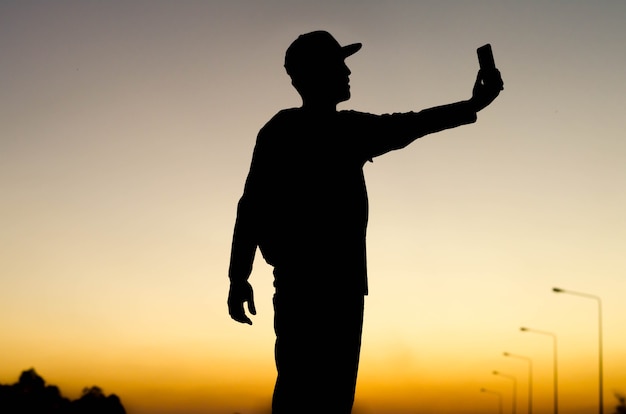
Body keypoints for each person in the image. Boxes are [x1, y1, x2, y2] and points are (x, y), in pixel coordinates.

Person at [228, 30, 503, 414]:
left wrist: (239, 276)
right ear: (312, 74)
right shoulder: (327, 131)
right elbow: (252, 206)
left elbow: (251, 207)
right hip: (319, 287)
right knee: (314, 392)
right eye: (338, 64)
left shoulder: (296, 130)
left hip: (321, 286)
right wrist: (238, 277)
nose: (347, 71)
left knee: (311, 390)